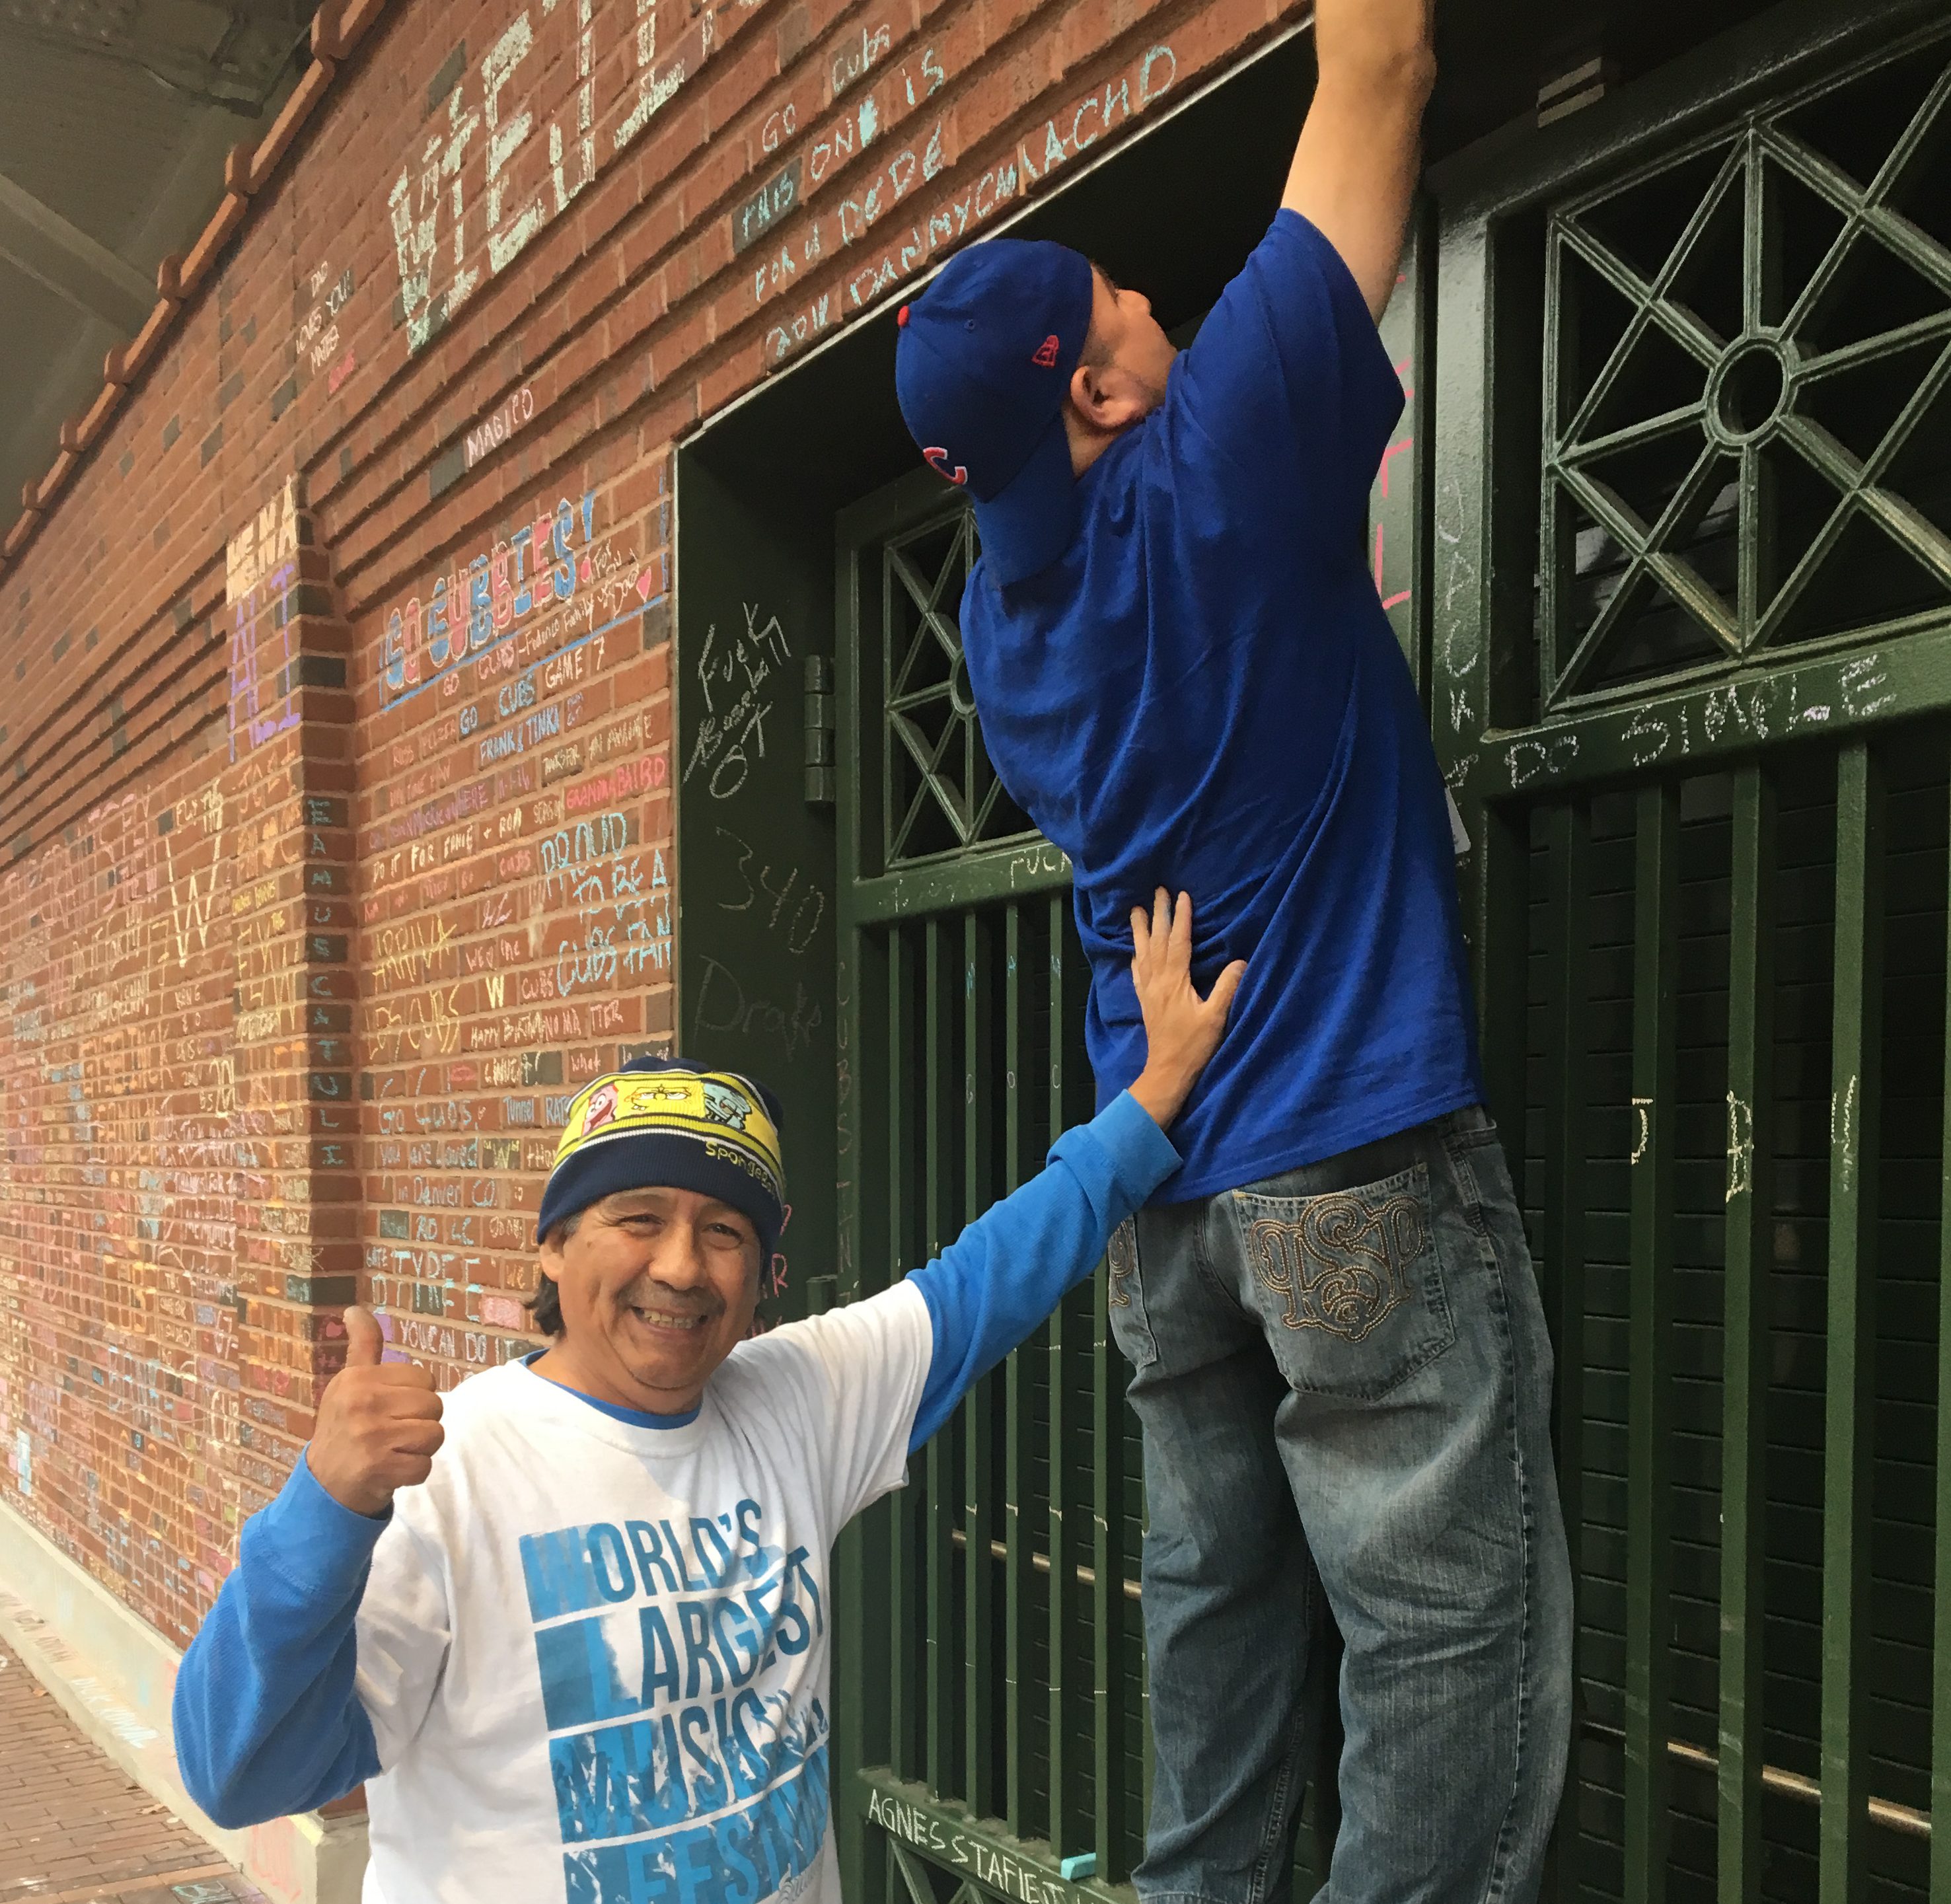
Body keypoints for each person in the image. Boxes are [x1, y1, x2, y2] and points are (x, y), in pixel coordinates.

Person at [891, 1, 1572, 1899]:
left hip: (1165, 1176)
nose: (1159, 308)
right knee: (1438, 1639)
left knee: (1212, 1633)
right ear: (1099, 397)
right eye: (1123, 300)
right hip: (1339, 1145)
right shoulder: (1224, 464)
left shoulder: (1004, 628)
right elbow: (1382, 70)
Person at [171, 892, 1241, 1904]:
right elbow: (240, 1769)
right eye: (635, 1216)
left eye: (724, 1231)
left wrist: (1150, 1099)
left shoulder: (794, 1398)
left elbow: (984, 1282)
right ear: (552, 1244)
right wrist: (322, 1507)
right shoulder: (445, 1474)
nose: (681, 1266)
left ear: (765, 1278)